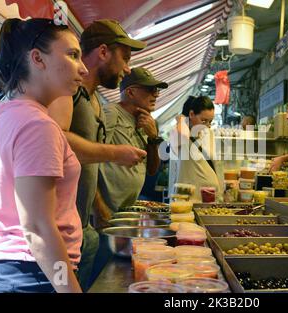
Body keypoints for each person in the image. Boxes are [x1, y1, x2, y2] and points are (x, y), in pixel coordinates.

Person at [0, 18, 88, 293]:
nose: (84, 68)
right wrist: (68, 288)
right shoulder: (36, 125)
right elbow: (37, 229)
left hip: (10, 270)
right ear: (37, 59)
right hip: (33, 274)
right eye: (72, 55)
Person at [48, 19, 147, 291]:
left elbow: (86, 167)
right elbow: (55, 138)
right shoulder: (69, 93)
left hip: (82, 227)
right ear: (103, 52)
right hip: (58, 234)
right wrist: (115, 153)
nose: (127, 69)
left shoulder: (94, 100)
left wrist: (97, 207)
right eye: (125, 58)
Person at [97, 67, 167, 216]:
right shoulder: (111, 112)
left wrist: (153, 138)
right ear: (130, 92)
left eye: (157, 90)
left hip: (126, 209)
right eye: (150, 89)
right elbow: (90, 161)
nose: (155, 94)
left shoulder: (148, 121)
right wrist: (99, 208)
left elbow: (152, 170)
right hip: (106, 210)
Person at [171, 96, 222, 202]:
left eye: (210, 121)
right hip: (187, 199)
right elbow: (183, 134)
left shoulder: (208, 134)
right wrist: (181, 118)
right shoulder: (180, 133)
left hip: (209, 197)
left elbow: (215, 164)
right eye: (203, 121)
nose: (207, 126)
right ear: (191, 114)